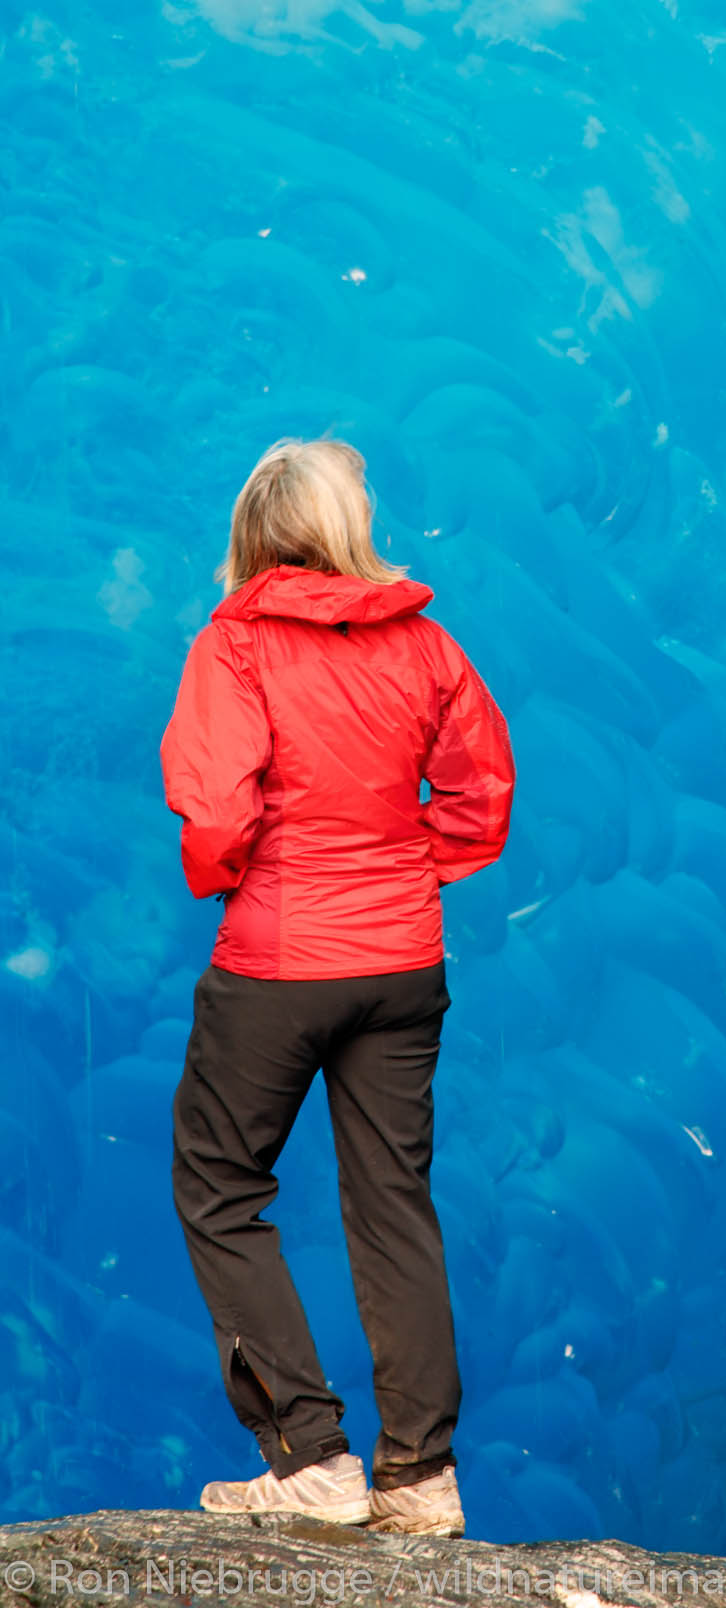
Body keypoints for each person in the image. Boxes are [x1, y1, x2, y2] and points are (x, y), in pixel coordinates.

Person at [160, 436, 515, 1533]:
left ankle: (311, 1455)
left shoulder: (233, 648)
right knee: (394, 1202)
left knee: (219, 1185)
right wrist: (406, 871)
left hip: (277, 959)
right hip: (404, 961)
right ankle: (422, 1477)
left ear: (253, 533)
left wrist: (237, 878)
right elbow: (482, 790)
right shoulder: (428, 644)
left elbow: (216, 812)